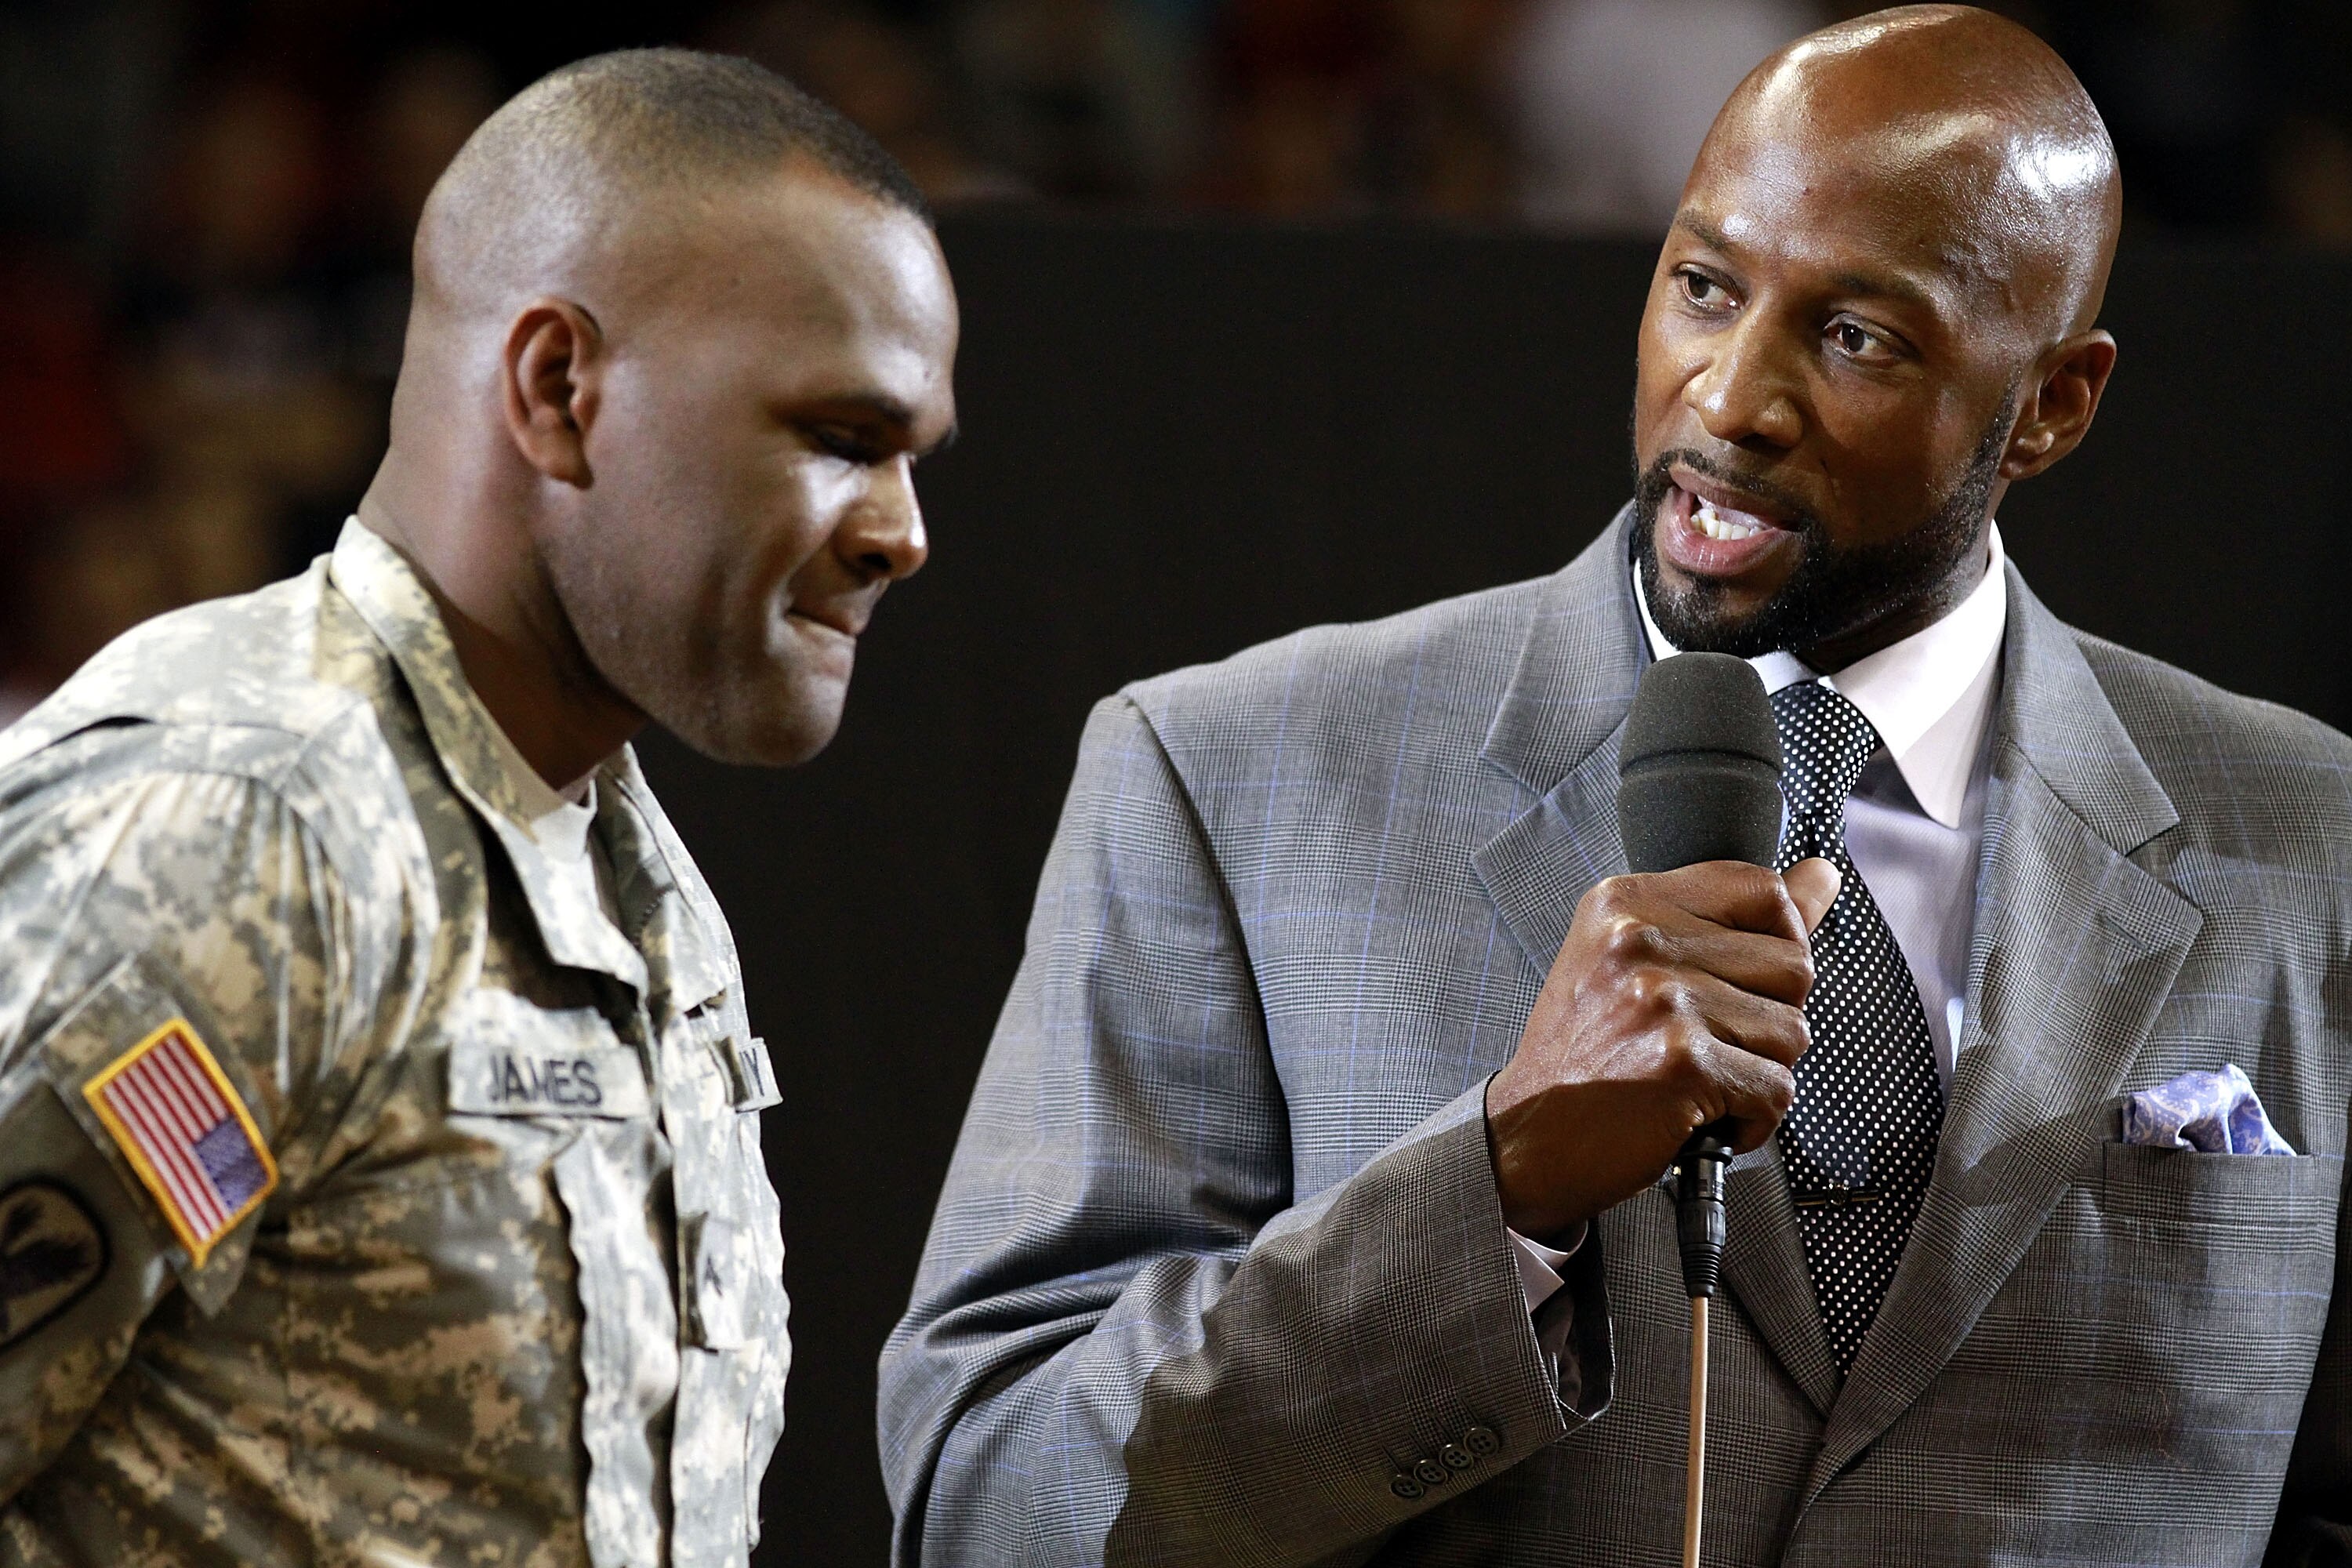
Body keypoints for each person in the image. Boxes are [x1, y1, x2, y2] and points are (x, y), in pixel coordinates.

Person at [880, 6, 2352, 1564]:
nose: (1731, 398)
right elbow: (993, 1499)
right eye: (1706, 287)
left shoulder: (2313, 836)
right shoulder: (1228, 775)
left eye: (1857, 336)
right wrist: (1500, 1182)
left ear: (2052, 404)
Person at [0, 48, 957, 1565]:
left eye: (912, 459)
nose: (903, 534)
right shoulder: (235, 832)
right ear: (560, 391)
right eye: (843, 439)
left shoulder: (634, 878)